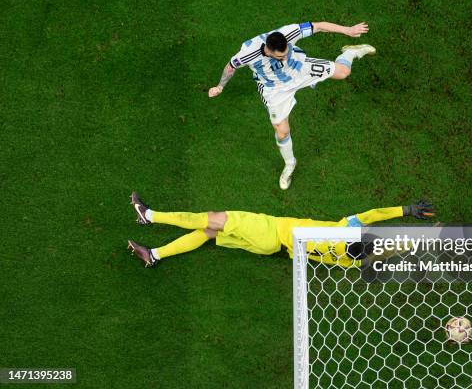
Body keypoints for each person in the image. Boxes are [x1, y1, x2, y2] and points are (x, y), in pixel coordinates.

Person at [208, 21, 376, 189]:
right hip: (274, 89)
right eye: (281, 57)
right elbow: (230, 67)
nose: (285, 57)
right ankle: (290, 164)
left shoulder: (288, 33)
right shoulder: (248, 54)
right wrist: (220, 86)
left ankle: (350, 52)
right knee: (282, 132)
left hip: (299, 69)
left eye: (286, 52)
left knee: (343, 72)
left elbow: (318, 26)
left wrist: (347, 30)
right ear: (268, 51)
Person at [127, 192, 435, 268]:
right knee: (208, 234)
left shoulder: (346, 227)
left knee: (212, 219)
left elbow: (372, 215)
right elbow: (381, 252)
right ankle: (154, 254)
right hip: (270, 247)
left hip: (268, 230)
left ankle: (150, 215)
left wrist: (406, 210)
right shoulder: (346, 260)